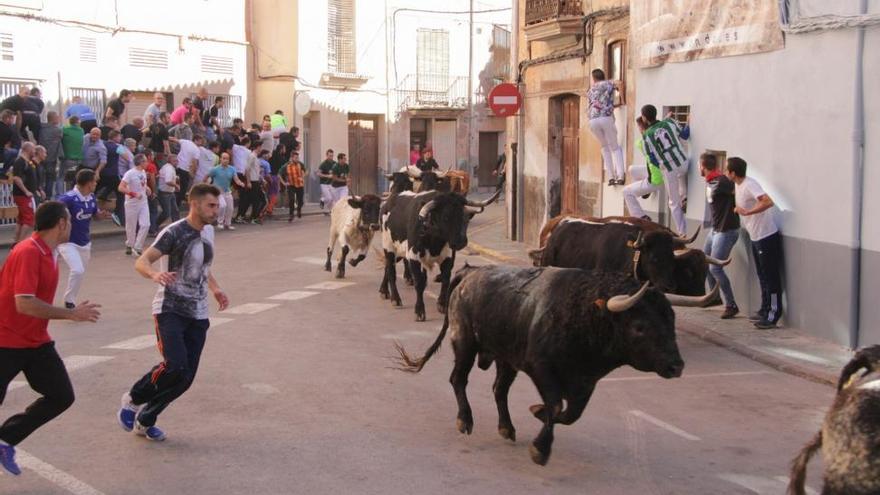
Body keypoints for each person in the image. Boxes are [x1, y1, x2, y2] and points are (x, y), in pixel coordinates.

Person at [117, 184, 229, 442]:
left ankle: (145, 421)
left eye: (217, 205)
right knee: (175, 365)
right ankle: (133, 399)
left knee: (185, 378)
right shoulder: (174, 232)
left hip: (198, 313)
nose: (216, 210)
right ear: (195, 204)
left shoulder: (208, 232)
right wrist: (156, 273)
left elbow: (203, 266)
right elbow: (141, 261)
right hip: (170, 309)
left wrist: (216, 289)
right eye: (211, 205)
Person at [0, 201, 101, 476]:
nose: (71, 224)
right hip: (5, 341)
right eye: (69, 220)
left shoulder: (49, 251)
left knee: (60, 395)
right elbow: (24, 303)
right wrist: (71, 315)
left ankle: (5, 439)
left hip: (35, 342)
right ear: (61, 223)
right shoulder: (29, 252)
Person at [727, 157, 782, 329]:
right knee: (762, 274)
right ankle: (765, 310)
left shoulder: (750, 184)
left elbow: (768, 201)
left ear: (733, 173)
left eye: (727, 170)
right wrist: (738, 209)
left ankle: (773, 315)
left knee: (771, 276)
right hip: (755, 236)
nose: (725, 172)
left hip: (766, 236)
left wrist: (748, 212)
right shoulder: (738, 185)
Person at [57, 169, 110, 309]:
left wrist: (101, 215)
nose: (96, 184)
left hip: (85, 243)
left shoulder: (91, 197)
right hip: (68, 243)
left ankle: (71, 298)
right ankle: (69, 302)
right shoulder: (67, 198)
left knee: (80, 273)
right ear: (88, 183)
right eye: (94, 181)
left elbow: (95, 215)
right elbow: (55, 214)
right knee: (77, 270)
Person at [699, 153, 740, 319]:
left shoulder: (722, 181)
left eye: (698, 165)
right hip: (715, 230)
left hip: (726, 231)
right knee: (704, 261)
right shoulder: (710, 181)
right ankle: (714, 297)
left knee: (715, 267)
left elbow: (737, 189)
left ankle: (731, 305)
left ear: (702, 166)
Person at [641, 104, 690, 235]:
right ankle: (684, 197)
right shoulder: (669, 122)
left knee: (673, 203)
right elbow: (685, 135)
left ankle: (682, 232)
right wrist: (688, 121)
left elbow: (651, 158)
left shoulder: (646, 136)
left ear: (644, 118)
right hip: (684, 163)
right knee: (680, 176)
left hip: (669, 169)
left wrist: (662, 166)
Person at [586, 69, 625, 186]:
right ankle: (620, 176)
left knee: (604, 147)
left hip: (592, 120)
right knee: (615, 147)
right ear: (603, 76)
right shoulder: (608, 83)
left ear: (593, 78)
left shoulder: (590, 90)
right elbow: (620, 83)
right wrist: (622, 99)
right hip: (606, 118)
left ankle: (610, 177)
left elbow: (594, 103)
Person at [623, 116, 664, 221]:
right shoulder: (656, 135)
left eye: (639, 127)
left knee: (626, 191)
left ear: (642, 128)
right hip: (661, 170)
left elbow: (642, 144)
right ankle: (645, 191)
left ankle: (641, 217)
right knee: (632, 169)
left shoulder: (642, 142)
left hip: (656, 178)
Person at [119, 153, 151, 256]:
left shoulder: (143, 172)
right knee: (131, 226)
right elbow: (121, 187)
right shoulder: (130, 173)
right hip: (131, 203)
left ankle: (138, 247)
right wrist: (133, 193)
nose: (147, 162)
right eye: (145, 161)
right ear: (141, 162)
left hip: (143, 202)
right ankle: (129, 244)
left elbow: (142, 184)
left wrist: (147, 188)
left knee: (146, 224)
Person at [11, 142, 42, 243]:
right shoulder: (20, 161)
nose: (35, 151)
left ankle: (16, 242)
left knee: (21, 220)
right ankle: (20, 243)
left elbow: (31, 178)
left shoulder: (27, 161)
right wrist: (26, 191)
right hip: (22, 195)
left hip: (25, 195)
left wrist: (36, 189)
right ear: (28, 149)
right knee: (29, 220)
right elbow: (16, 178)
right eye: (33, 149)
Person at [206, 152, 242, 230]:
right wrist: (206, 185)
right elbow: (207, 176)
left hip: (227, 191)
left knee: (230, 208)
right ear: (220, 159)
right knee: (222, 206)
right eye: (224, 158)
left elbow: (236, 179)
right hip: (218, 191)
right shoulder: (215, 169)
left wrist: (240, 183)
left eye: (227, 159)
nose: (225, 160)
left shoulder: (232, 169)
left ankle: (227, 224)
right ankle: (220, 222)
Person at [38, 112, 64, 199]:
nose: (59, 118)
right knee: (49, 178)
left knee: (39, 178)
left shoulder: (40, 128)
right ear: (53, 119)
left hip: (39, 157)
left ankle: (39, 196)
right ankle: (47, 198)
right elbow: (60, 141)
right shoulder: (57, 131)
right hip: (51, 158)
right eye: (57, 117)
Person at [156, 154, 181, 229]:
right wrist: (176, 185)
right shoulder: (169, 169)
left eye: (177, 160)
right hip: (165, 193)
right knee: (167, 213)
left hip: (170, 192)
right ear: (169, 161)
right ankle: (154, 225)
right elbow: (168, 181)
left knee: (175, 211)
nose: (176, 162)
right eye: (174, 161)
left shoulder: (169, 167)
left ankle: (177, 227)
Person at [60, 116, 84, 191]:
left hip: (67, 159)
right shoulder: (81, 130)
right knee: (76, 178)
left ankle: (61, 195)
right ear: (77, 122)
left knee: (62, 178)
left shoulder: (64, 129)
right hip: (79, 160)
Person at [281, 150, 305, 222]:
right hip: (291, 185)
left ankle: (299, 210)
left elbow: (306, 171)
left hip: (300, 184)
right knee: (291, 199)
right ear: (292, 158)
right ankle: (291, 214)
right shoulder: (286, 165)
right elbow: (279, 174)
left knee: (300, 200)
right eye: (295, 158)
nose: (297, 159)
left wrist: (303, 176)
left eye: (298, 158)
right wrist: (284, 183)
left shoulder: (300, 164)